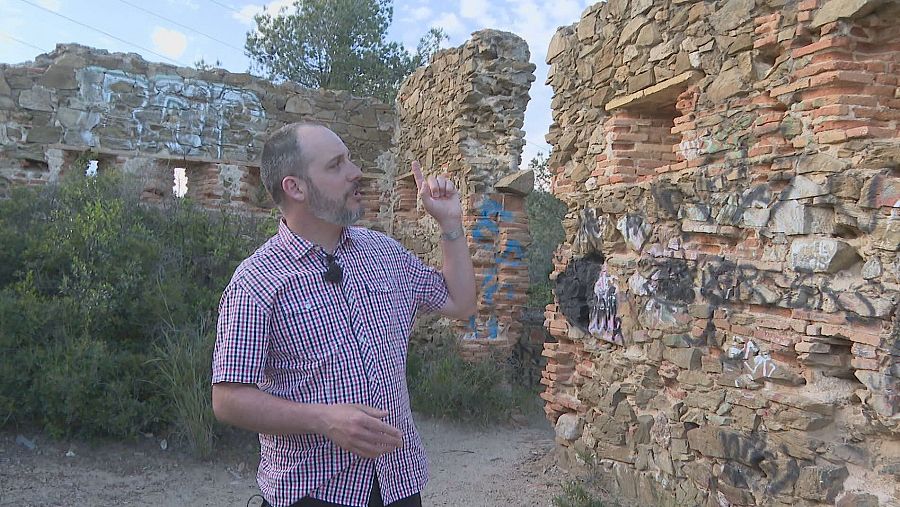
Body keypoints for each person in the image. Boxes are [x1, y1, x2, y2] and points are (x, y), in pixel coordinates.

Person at [211, 122, 477, 507]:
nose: (356, 172)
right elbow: (228, 398)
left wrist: (450, 224)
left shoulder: (382, 252)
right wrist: (323, 419)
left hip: (398, 483)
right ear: (295, 187)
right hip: (314, 493)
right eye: (336, 165)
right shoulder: (256, 281)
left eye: (349, 159)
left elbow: (460, 302)